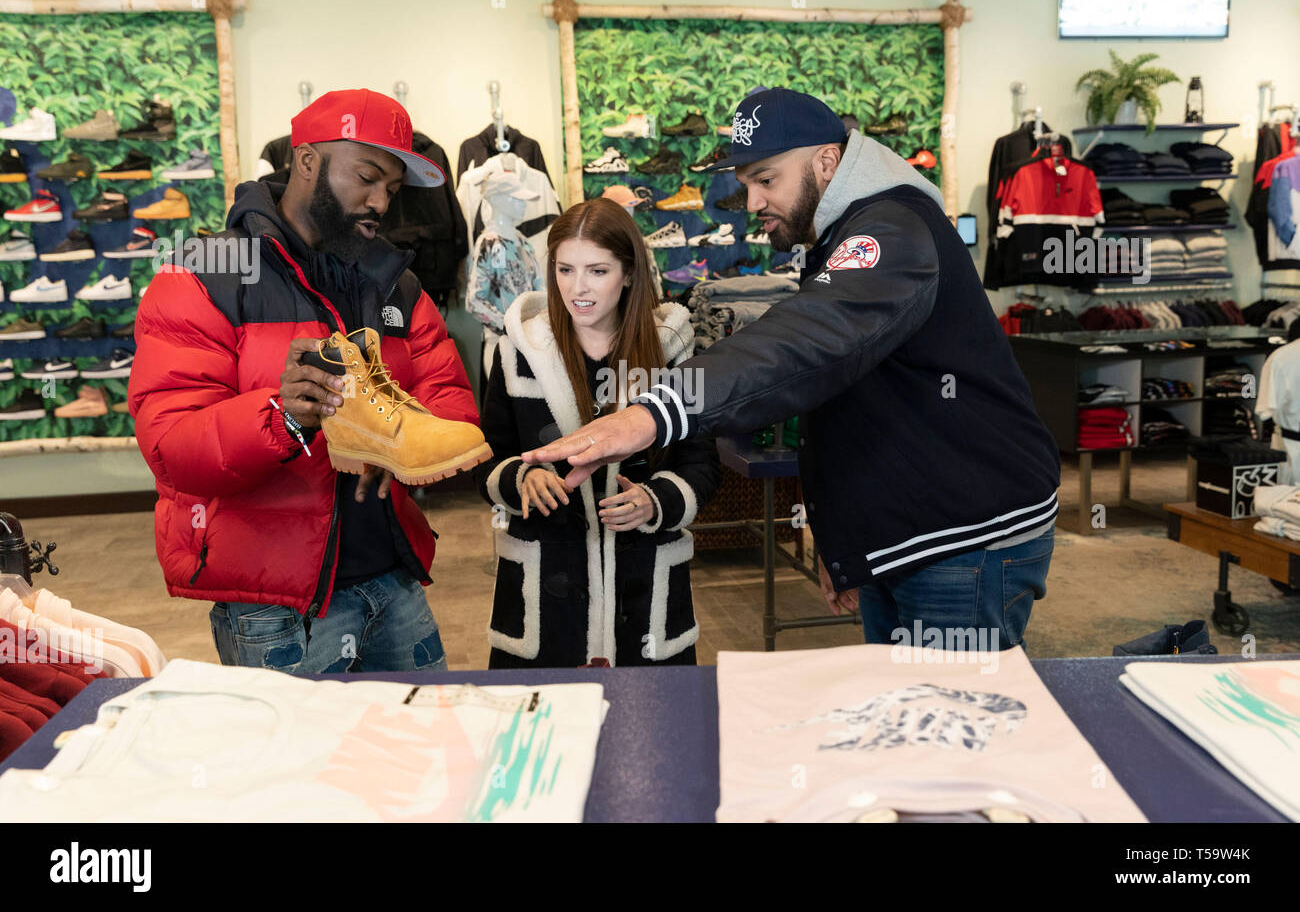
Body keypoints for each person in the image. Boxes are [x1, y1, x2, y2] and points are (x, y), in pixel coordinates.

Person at [524, 87, 1060, 651]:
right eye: (746, 183)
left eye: (766, 179)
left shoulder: (891, 229)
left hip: (965, 537)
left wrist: (654, 413)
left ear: (826, 161)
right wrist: (845, 544)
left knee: (954, 724)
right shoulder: (850, 231)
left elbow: (806, 340)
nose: (752, 201)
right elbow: (839, 394)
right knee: (911, 720)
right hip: (912, 530)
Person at [130, 89, 478, 672]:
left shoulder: (398, 284)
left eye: (392, 189)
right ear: (308, 160)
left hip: (393, 581)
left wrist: (403, 446)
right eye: (366, 177)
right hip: (277, 604)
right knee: (299, 765)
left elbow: (452, 410)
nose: (379, 202)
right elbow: (171, 447)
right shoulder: (205, 274)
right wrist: (283, 416)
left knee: (426, 751)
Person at [476, 196, 720, 667]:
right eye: (565, 270)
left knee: (651, 731)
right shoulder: (517, 353)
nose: (577, 288)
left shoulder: (670, 351)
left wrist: (656, 500)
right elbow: (487, 457)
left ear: (628, 273)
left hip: (645, 595)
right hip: (544, 600)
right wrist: (520, 480)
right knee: (543, 732)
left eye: (597, 271)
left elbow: (701, 462)